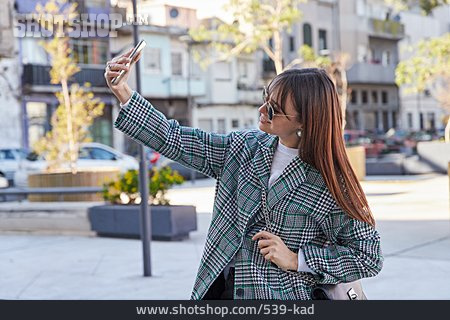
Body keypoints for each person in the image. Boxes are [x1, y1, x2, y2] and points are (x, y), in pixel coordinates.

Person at [104, 49, 383, 300]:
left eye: (274, 110)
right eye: (265, 99)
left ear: (305, 121)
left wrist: (297, 259)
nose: (262, 110)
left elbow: (368, 256)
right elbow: (174, 138)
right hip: (218, 288)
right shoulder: (243, 148)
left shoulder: (329, 182)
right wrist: (123, 91)